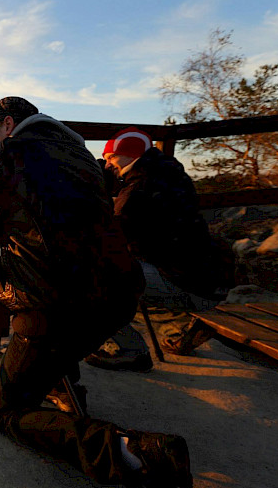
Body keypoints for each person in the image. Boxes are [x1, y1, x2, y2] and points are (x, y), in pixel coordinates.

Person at [0, 97, 194, 488]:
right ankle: (62, 385)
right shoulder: (82, 156)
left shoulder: (6, 156)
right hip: (118, 300)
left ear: (7, 125)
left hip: (57, 306)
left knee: (7, 411)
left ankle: (134, 454)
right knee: (55, 343)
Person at [91, 127, 234, 359]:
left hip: (188, 284)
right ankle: (178, 330)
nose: (108, 165)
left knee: (93, 279)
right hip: (205, 277)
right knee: (129, 279)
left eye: (111, 158)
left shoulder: (139, 190)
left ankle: (130, 349)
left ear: (132, 154)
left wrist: (99, 192)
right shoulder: (166, 174)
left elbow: (112, 240)